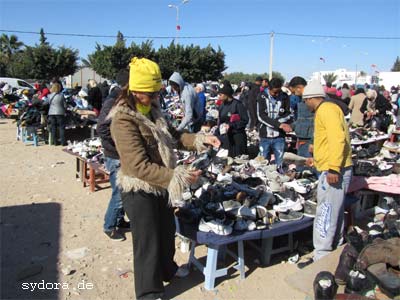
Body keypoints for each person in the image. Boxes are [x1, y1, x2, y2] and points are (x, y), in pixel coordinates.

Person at [109, 57, 220, 300]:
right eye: (151, 93)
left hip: (162, 185)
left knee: (166, 231)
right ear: (136, 91)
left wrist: (201, 140)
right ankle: (149, 292)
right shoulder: (123, 120)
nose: (157, 96)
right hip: (140, 190)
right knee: (147, 242)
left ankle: (167, 269)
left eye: (157, 92)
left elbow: (176, 136)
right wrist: (179, 177)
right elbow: (138, 166)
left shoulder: (153, 111)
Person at [298, 80, 352, 268]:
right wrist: (318, 155)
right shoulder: (329, 109)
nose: (305, 104)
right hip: (333, 166)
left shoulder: (326, 110)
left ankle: (321, 258)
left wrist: (333, 168)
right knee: (335, 212)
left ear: (312, 98)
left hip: (334, 169)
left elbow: (338, 139)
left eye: (306, 100)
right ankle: (334, 253)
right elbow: (332, 139)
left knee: (326, 213)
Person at [97, 69, 130, 241]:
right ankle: (109, 226)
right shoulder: (115, 101)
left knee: (123, 192)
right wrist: (119, 145)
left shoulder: (119, 99)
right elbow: (102, 128)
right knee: (119, 193)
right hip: (115, 155)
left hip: (115, 154)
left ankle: (119, 221)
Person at [257, 77, 292, 167]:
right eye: (274, 92)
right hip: (265, 135)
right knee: (263, 161)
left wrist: (281, 123)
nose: (276, 95)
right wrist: (278, 124)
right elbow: (261, 116)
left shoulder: (284, 97)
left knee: (280, 160)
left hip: (279, 136)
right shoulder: (261, 96)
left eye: (278, 92)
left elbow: (289, 114)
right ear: (269, 88)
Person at [217, 80, 249, 157]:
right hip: (226, 138)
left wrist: (231, 125)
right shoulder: (222, 106)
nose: (219, 97)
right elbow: (220, 120)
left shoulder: (238, 104)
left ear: (226, 95)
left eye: (221, 95)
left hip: (237, 137)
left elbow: (245, 120)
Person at [289, 76, 314, 158]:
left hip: (309, 139)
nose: (293, 95)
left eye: (293, 92)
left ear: (299, 88)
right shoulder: (301, 100)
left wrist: (313, 142)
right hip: (303, 138)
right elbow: (303, 118)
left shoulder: (311, 100)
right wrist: (292, 126)